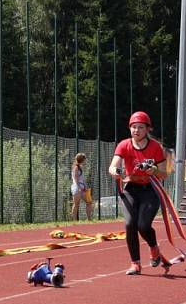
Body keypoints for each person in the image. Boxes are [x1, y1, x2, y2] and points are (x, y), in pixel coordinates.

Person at [108, 111, 168, 275]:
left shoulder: (156, 147)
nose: (136, 130)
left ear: (148, 129)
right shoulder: (124, 145)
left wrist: (153, 169)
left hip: (150, 190)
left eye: (140, 127)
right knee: (130, 225)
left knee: (143, 225)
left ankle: (154, 248)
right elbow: (113, 166)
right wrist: (116, 171)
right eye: (133, 127)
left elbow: (164, 173)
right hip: (130, 190)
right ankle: (135, 264)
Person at [70, 153, 94, 221]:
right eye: (84, 159)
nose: (85, 161)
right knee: (76, 204)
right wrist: (79, 188)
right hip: (77, 188)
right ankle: (74, 220)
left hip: (82, 187)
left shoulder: (80, 167)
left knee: (89, 202)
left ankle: (89, 219)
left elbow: (82, 179)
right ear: (81, 160)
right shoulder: (76, 168)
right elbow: (76, 178)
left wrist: (85, 187)